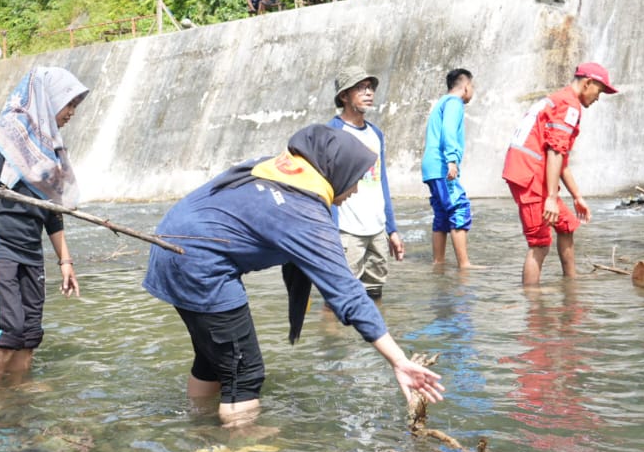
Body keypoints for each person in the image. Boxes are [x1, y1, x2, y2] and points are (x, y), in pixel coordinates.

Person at [142, 125, 444, 427]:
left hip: (168, 245)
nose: (354, 191)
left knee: (214, 358)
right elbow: (348, 294)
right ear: (335, 170)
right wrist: (398, 360)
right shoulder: (303, 212)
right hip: (200, 266)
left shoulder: (276, 168)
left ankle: (198, 425)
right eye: (355, 179)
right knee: (245, 372)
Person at [0, 67, 87, 389]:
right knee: (6, 332)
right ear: (50, 99)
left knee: (29, 336)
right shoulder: (8, 133)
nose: (71, 113)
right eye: (69, 104)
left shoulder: (51, 150)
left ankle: (17, 403)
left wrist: (66, 262)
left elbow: (52, 211)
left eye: (75, 105)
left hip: (29, 250)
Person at [503, 63, 618, 285]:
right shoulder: (568, 106)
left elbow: (559, 157)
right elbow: (554, 151)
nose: (598, 98)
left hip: (534, 172)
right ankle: (534, 306)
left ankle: (571, 283)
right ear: (587, 83)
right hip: (530, 176)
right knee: (539, 243)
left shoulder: (560, 100)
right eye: (599, 91)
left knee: (567, 225)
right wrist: (551, 198)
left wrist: (577, 196)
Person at [326, 67, 404, 299]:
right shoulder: (332, 132)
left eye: (370, 87)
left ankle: (373, 335)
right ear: (344, 96)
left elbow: (382, 183)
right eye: (360, 88)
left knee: (374, 294)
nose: (369, 93)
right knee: (340, 299)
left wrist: (391, 229)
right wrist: (329, 232)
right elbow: (324, 185)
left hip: (376, 230)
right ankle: (334, 335)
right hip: (346, 232)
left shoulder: (375, 133)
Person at [420, 69, 476, 268]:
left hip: (431, 166)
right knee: (458, 207)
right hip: (442, 164)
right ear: (466, 86)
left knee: (442, 214)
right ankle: (464, 264)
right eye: (473, 87)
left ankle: (439, 262)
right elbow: (448, 131)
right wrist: (452, 160)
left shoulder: (441, 103)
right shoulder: (454, 103)